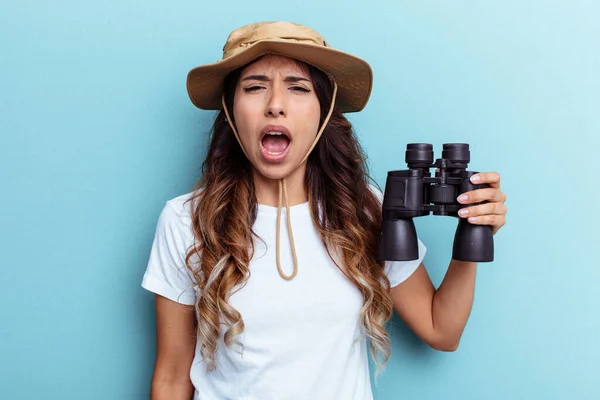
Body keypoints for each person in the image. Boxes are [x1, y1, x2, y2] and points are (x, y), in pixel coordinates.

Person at [141, 21, 508, 400]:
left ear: (323, 111)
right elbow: (171, 378)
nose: (275, 105)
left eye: (298, 88)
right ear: (231, 111)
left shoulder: (363, 209)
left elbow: (441, 329)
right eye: (254, 87)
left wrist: (474, 232)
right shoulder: (187, 219)